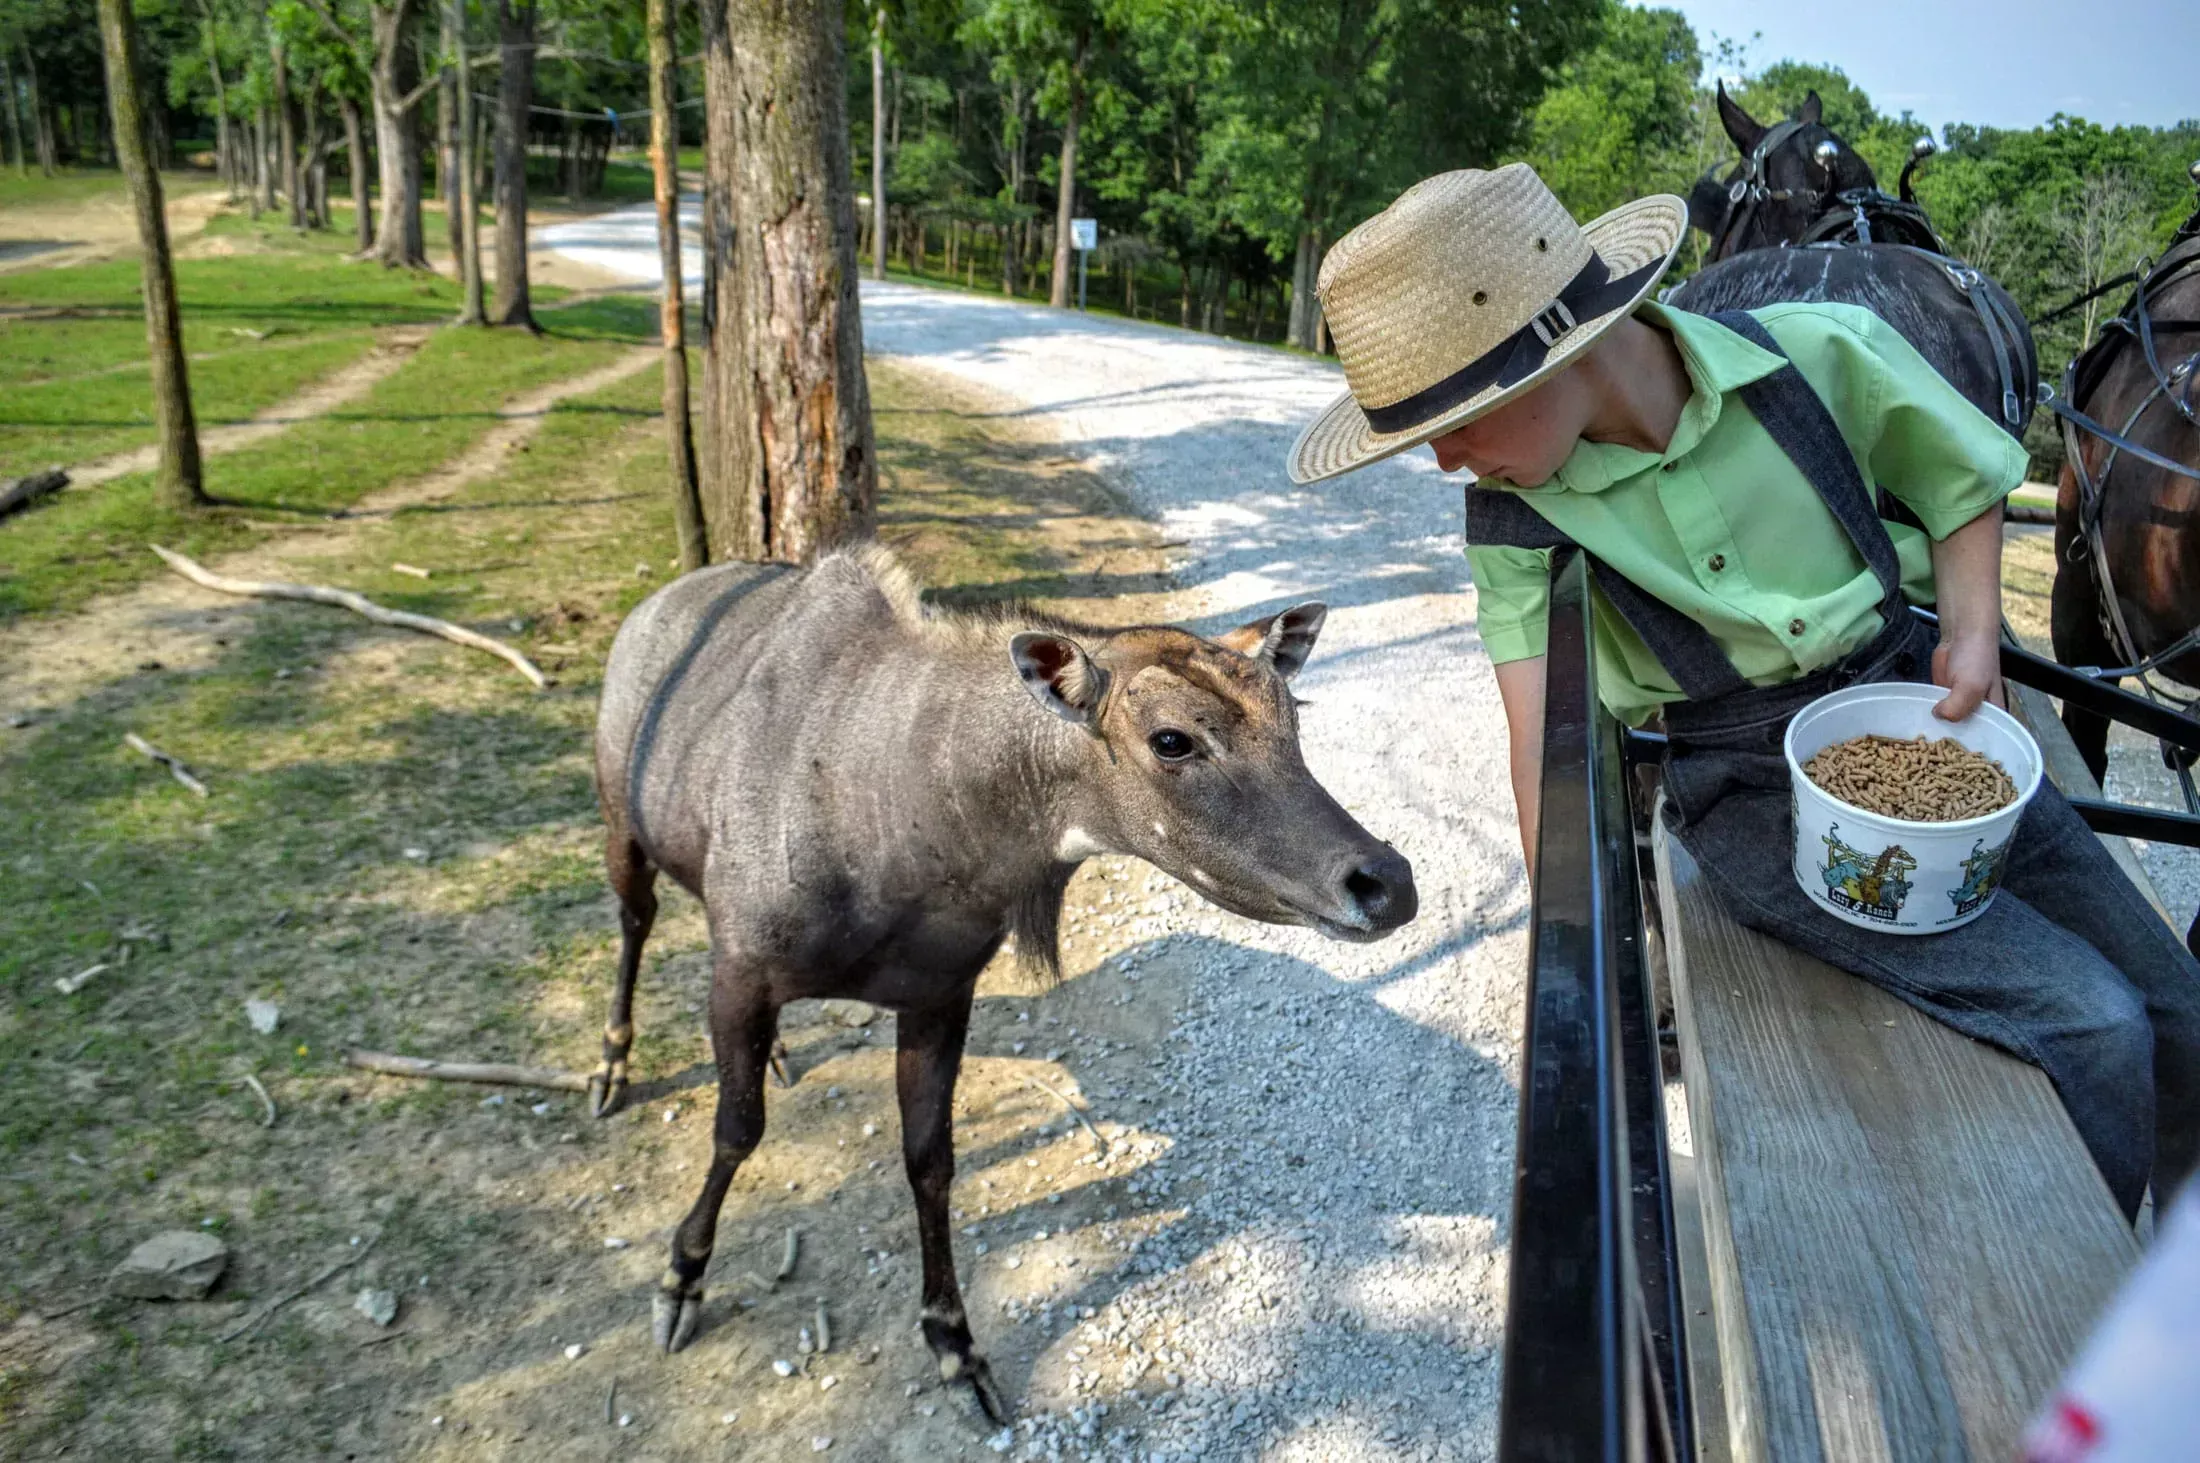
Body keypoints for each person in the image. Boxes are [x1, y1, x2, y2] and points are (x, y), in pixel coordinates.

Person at [1285, 162, 2200, 1220]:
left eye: (1451, 421)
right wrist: (1568, 946)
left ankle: (2171, 1262)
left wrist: (1970, 633)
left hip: (1916, 722)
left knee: (2178, 1005)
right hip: (1755, 798)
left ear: (1550, 354)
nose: (1443, 459)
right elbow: (1542, 747)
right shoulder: (1514, 519)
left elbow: (1960, 478)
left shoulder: (1809, 356)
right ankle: (2078, 1301)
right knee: (2092, 1019)